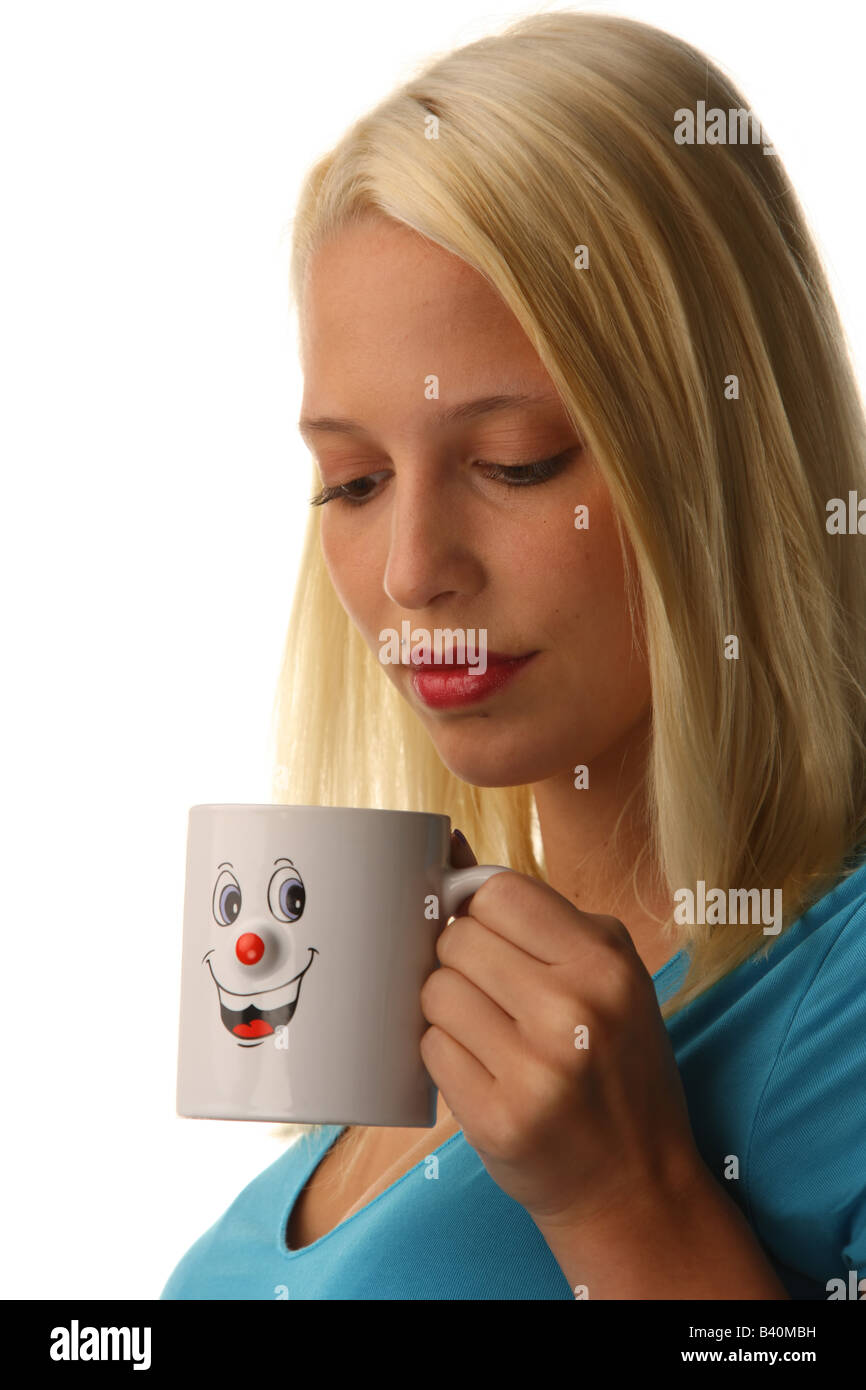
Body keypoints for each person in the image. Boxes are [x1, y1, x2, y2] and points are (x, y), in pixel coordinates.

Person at [161, 10, 866, 1300]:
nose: (414, 570)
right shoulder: (391, 1000)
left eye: (514, 463)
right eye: (355, 482)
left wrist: (635, 1213)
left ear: (718, 458)